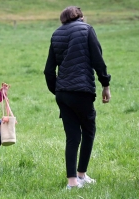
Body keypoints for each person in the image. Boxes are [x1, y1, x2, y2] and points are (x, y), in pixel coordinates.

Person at [44, 6, 111, 189]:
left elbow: (48, 70)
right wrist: (105, 84)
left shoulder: (56, 34)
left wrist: (57, 90)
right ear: (80, 16)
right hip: (81, 91)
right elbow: (98, 60)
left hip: (63, 93)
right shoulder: (87, 29)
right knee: (88, 131)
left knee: (72, 137)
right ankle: (81, 174)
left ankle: (72, 182)